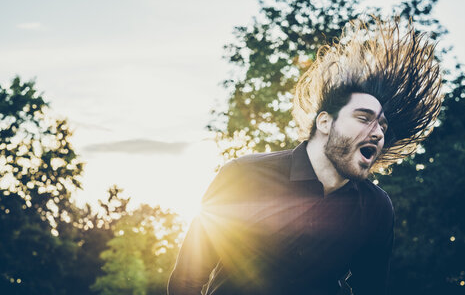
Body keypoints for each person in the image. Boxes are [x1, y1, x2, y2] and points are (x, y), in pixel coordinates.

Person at [168, 20, 442, 295]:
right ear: (324, 122)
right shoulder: (243, 175)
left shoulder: (376, 207)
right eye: (363, 118)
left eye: (382, 126)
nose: (377, 133)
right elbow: (187, 280)